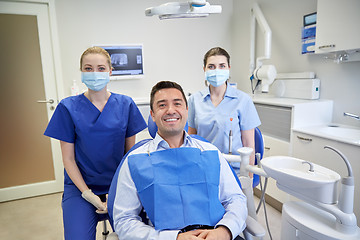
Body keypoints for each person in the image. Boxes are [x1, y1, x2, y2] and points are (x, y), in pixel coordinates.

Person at [111, 81, 247, 240]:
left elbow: (235, 199)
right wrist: (174, 237)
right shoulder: (135, 160)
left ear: (186, 110)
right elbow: (124, 219)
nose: (170, 110)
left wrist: (224, 231)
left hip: (216, 233)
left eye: (177, 103)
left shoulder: (210, 152)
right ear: (153, 115)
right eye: (162, 105)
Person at [44, 46, 147, 240]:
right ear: (82, 72)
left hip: (118, 184)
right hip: (80, 187)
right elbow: (68, 160)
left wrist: (119, 189)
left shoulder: (125, 104)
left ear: (110, 71)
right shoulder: (67, 107)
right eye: (88, 68)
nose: (94, 73)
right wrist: (87, 194)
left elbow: (129, 156)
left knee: (137, 234)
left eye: (100, 68)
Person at [188, 47, 261, 174]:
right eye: (211, 66)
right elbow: (191, 138)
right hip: (203, 166)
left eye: (222, 66)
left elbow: (249, 144)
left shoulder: (243, 100)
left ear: (228, 68)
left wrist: (248, 178)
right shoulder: (195, 100)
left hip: (234, 169)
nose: (216, 70)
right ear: (204, 69)